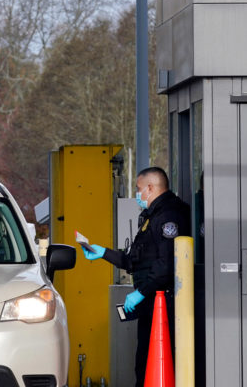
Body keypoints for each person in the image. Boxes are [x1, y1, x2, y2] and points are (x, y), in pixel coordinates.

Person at [80, 166, 190, 387]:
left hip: (163, 303)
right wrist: (103, 252)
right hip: (152, 300)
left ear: (150, 188)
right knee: (144, 361)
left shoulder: (169, 216)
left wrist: (141, 292)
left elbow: (167, 264)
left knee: (153, 361)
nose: (137, 194)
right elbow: (136, 260)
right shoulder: (153, 215)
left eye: (138, 189)